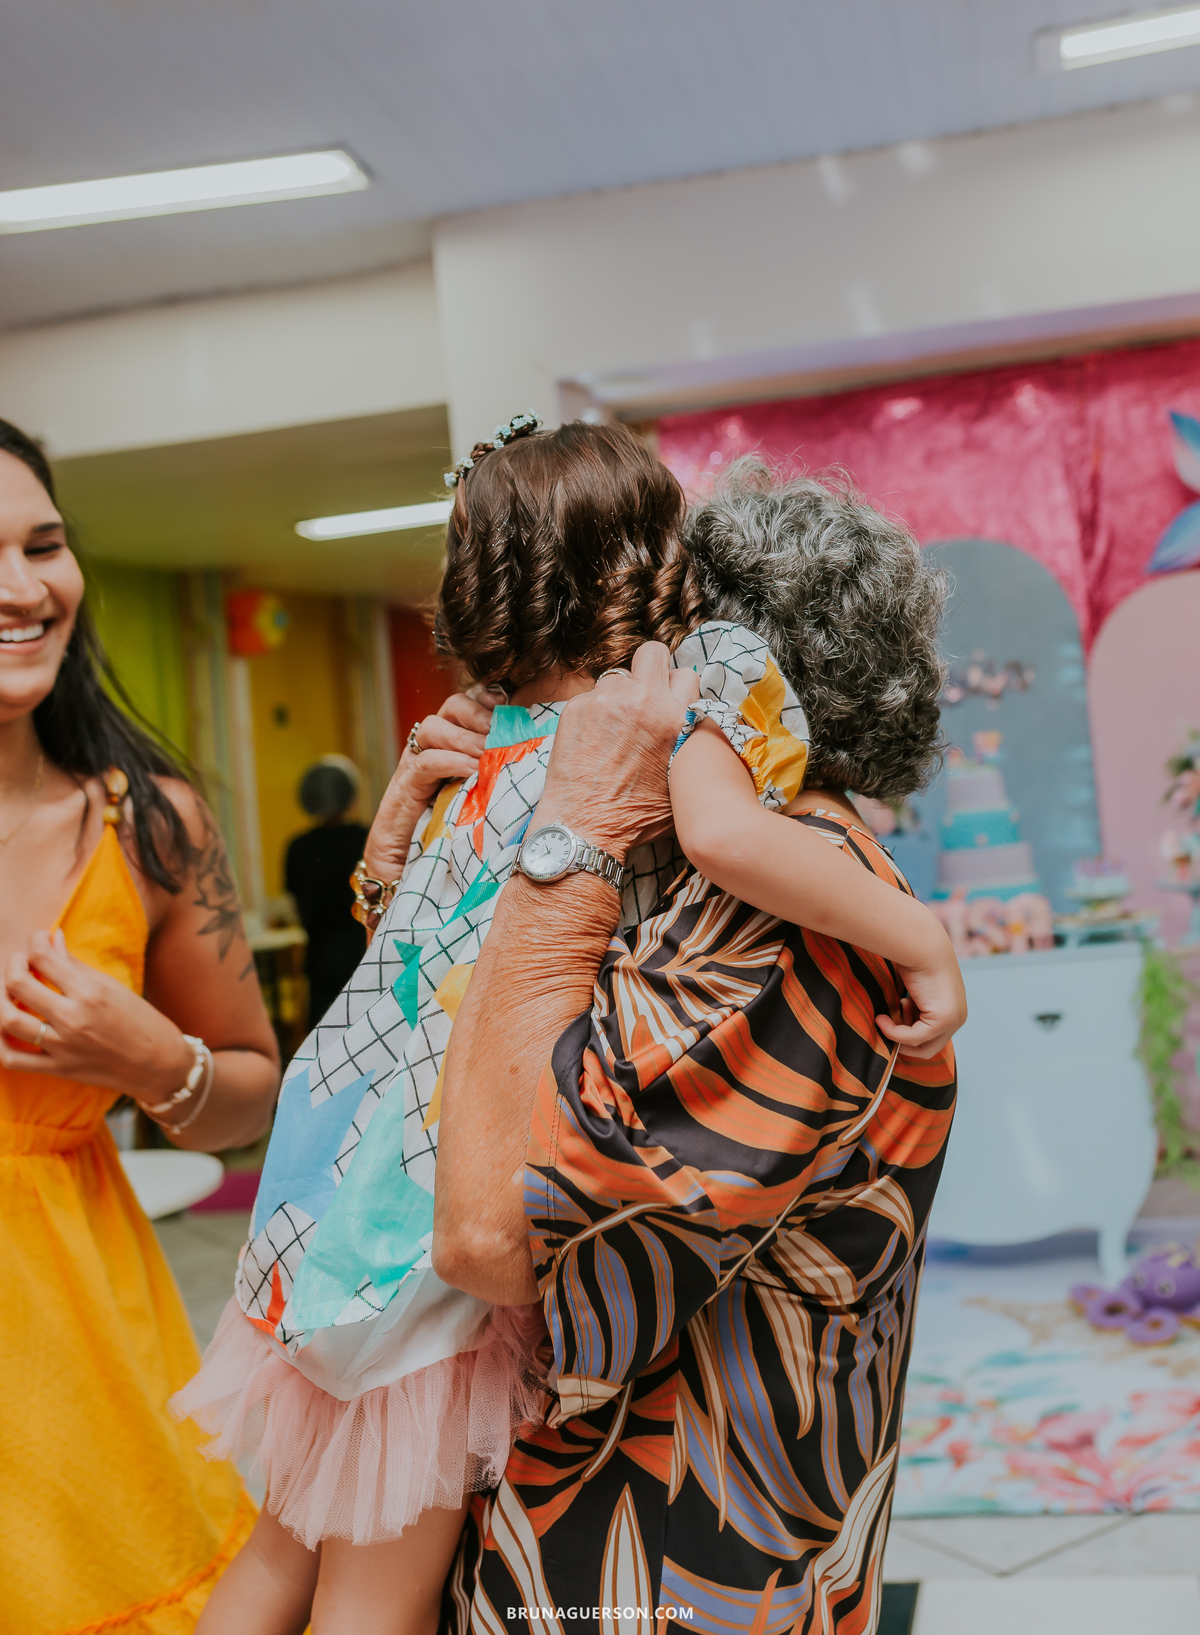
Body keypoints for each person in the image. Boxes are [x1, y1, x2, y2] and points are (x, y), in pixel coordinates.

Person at [176, 421, 962, 1633]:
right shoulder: (656, 724)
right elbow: (714, 842)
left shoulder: (494, 736)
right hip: (421, 1236)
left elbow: (420, 961)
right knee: (363, 1588)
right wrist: (927, 939)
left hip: (335, 1192)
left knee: (284, 1551)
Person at [0, 421, 281, 1634]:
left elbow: (260, 1090)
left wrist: (157, 1062)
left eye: (44, 544)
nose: (23, 589)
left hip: (77, 1368)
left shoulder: (148, 826)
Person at [284, 757, 368, 1028]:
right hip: (365, 953)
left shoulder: (298, 848)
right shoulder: (366, 839)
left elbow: (297, 907)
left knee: (322, 1039)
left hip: (320, 960)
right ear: (350, 795)